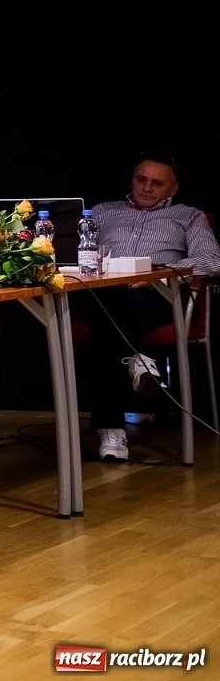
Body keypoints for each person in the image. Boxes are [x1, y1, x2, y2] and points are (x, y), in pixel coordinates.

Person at [86, 153, 219, 462]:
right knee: (107, 301)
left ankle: (110, 427)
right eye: (141, 180)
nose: (147, 188)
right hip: (100, 292)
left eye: (157, 183)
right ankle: (139, 360)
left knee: (110, 322)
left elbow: (212, 260)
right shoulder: (102, 212)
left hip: (157, 295)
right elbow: (78, 252)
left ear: (173, 188)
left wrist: (156, 275)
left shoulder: (189, 216)